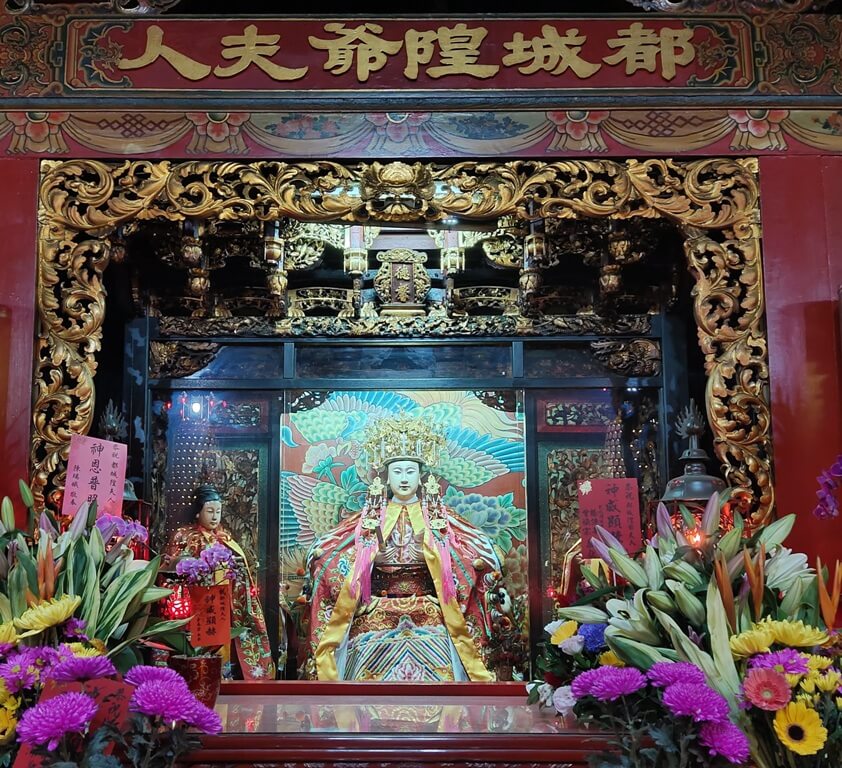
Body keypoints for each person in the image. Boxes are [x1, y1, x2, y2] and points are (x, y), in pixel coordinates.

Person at [305, 415, 502, 681]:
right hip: (378, 604)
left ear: (421, 477)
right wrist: (368, 558)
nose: (404, 479)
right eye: (397, 472)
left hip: (429, 604)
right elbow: (325, 553)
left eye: (410, 472)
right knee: (364, 636)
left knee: (440, 635)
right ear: (386, 478)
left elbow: (479, 554)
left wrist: (436, 556)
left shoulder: (438, 517)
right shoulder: (369, 518)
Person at [165, 485, 276, 680]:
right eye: (210, 511)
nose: (215, 516)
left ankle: (230, 674)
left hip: (227, 600)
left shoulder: (225, 537)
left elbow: (242, 566)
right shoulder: (186, 536)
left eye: (218, 511)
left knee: (230, 636)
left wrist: (239, 567)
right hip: (199, 600)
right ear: (198, 512)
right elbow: (176, 566)